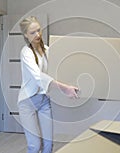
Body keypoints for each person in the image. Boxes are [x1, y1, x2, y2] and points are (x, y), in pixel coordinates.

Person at [17, 16, 79, 153]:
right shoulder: (26, 53)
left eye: (39, 30)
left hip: (44, 101)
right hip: (27, 102)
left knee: (48, 146)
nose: (38, 35)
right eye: (32, 32)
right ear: (26, 35)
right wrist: (64, 88)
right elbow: (39, 77)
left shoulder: (47, 49)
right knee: (34, 146)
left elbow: (58, 70)